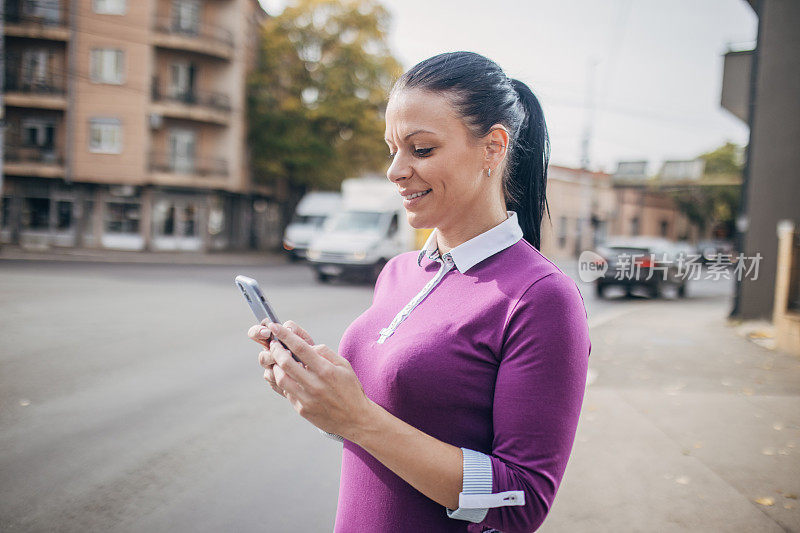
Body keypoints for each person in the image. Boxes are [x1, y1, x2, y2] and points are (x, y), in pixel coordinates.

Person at [248, 51, 591, 533]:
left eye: (421, 150)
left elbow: (521, 501)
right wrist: (320, 396)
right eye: (393, 149)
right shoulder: (398, 271)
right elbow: (389, 427)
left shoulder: (541, 297)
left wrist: (357, 418)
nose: (395, 170)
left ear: (493, 148)